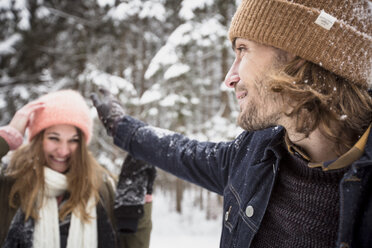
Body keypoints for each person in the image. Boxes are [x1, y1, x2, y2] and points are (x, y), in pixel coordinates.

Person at [91, 0, 372, 247]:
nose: (229, 77)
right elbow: (183, 153)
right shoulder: (254, 155)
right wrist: (121, 125)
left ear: (299, 55)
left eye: (243, 50)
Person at [0, 89, 155, 248]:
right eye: (54, 138)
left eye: (73, 140)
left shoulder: (103, 188)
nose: (63, 150)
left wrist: (138, 213)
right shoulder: (9, 184)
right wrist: (4, 139)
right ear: (38, 139)